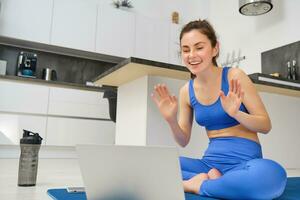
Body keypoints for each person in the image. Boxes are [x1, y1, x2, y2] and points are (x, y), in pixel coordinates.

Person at [151, 19, 287, 199]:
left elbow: (265, 125)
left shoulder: (234, 76)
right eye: (186, 50)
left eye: (199, 47)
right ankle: (212, 183)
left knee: (272, 175)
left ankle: (196, 184)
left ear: (215, 49)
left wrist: (236, 114)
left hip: (245, 164)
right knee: (154, 166)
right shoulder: (186, 91)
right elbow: (183, 140)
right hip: (210, 165)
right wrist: (170, 119)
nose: (191, 55)